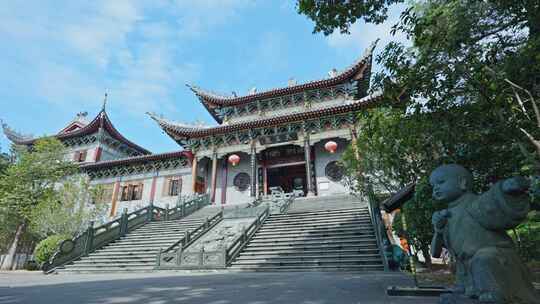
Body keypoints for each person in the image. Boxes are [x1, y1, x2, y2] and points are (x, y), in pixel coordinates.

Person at [429, 164, 538, 303]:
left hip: (496, 261)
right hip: (467, 270)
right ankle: (471, 287)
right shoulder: (445, 216)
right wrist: (438, 230)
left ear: (462, 183)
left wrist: (506, 188)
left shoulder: (476, 204)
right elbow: (435, 253)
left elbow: (493, 200)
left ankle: (492, 293)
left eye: (441, 182)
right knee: (464, 267)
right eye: (433, 186)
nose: (436, 188)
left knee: (484, 258)